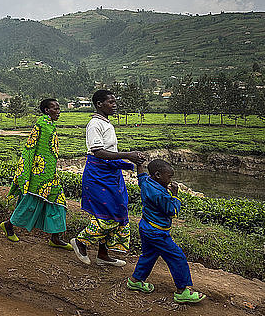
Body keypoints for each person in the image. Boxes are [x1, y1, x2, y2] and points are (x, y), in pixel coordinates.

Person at [71, 89, 145, 266]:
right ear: (99, 104)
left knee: (118, 210)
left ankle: (102, 254)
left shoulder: (105, 123)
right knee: (106, 214)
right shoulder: (94, 124)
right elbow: (98, 151)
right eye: (110, 102)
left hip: (111, 173)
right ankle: (80, 241)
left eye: (114, 102)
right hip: (99, 174)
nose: (114, 105)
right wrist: (128, 155)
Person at [127, 159, 206, 304]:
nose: (171, 180)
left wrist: (139, 164)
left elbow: (141, 175)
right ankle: (182, 291)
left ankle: (135, 280)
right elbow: (172, 211)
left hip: (146, 226)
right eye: (169, 176)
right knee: (177, 257)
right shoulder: (160, 194)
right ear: (157, 175)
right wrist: (175, 195)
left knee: (149, 255)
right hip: (157, 232)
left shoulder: (146, 182)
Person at [0, 99, 71, 250]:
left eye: (59, 109)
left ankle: (55, 237)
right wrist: (26, 173)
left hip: (50, 173)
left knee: (58, 202)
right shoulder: (43, 125)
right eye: (55, 109)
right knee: (30, 202)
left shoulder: (50, 125)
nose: (58, 112)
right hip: (40, 175)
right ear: (46, 110)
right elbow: (30, 148)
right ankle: (9, 225)